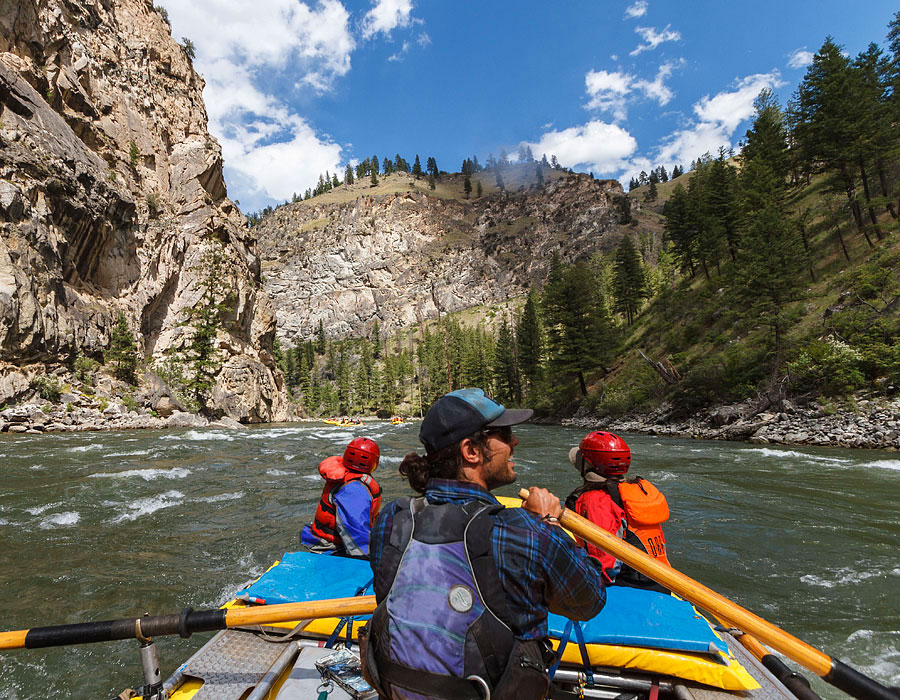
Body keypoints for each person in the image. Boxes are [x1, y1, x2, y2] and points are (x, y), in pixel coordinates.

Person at [362, 388, 606, 700]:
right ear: (471, 451)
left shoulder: (391, 520)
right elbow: (588, 601)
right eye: (504, 434)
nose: (514, 442)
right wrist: (548, 521)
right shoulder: (526, 532)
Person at [565, 431, 670, 591]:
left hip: (628, 587)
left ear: (588, 465)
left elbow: (606, 565)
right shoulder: (638, 489)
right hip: (661, 581)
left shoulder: (596, 499)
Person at [300, 437, 381, 558]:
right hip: (332, 548)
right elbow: (356, 538)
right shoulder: (354, 490)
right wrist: (374, 558)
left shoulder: (348, 478)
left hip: (329, 542)